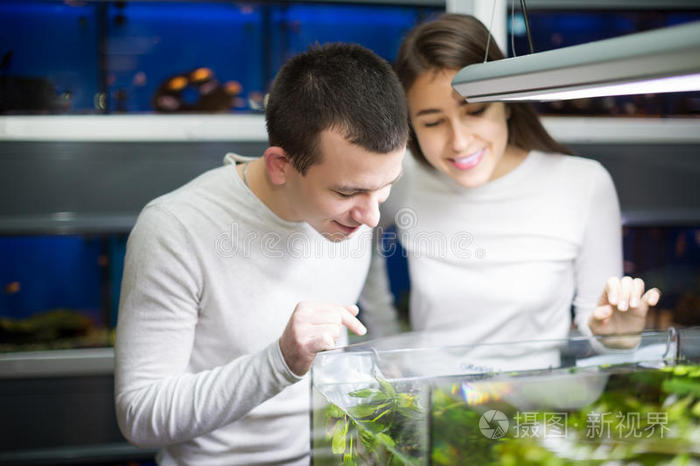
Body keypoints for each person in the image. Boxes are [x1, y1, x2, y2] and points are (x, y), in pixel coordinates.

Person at [114, 43, 408, 465]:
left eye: (385, 186)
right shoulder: (175, 228)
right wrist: (282, 360)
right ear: (279, 166)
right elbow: (140, 416)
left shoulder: (357, 213)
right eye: (347, 192)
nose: (370, 214)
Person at [359, 14, 660, 350]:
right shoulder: (405, 178)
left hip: (540, 396)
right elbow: (357, 239)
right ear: (412, 127)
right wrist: (385, 338)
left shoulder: (584, 183)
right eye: (433, 123)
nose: (458, 141)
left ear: (506, 106)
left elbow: (599, 329)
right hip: (440, 396)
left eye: (476, 111)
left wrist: (616, 335)